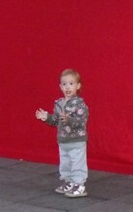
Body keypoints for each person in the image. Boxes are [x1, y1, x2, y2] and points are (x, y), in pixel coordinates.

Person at [35, 69, 89, 199]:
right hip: (63, 141)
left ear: (78, 86)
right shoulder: (59, 103)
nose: (67, 87)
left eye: (71, 83)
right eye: (64, 84)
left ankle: (79, 185)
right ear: (60, 86)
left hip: (76, 141)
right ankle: (69, 182)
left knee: (77, 164)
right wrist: (46, 117)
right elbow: (55, 121)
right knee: (65, 164)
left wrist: (68, 119)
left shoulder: (79, 104)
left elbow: (81, 121)